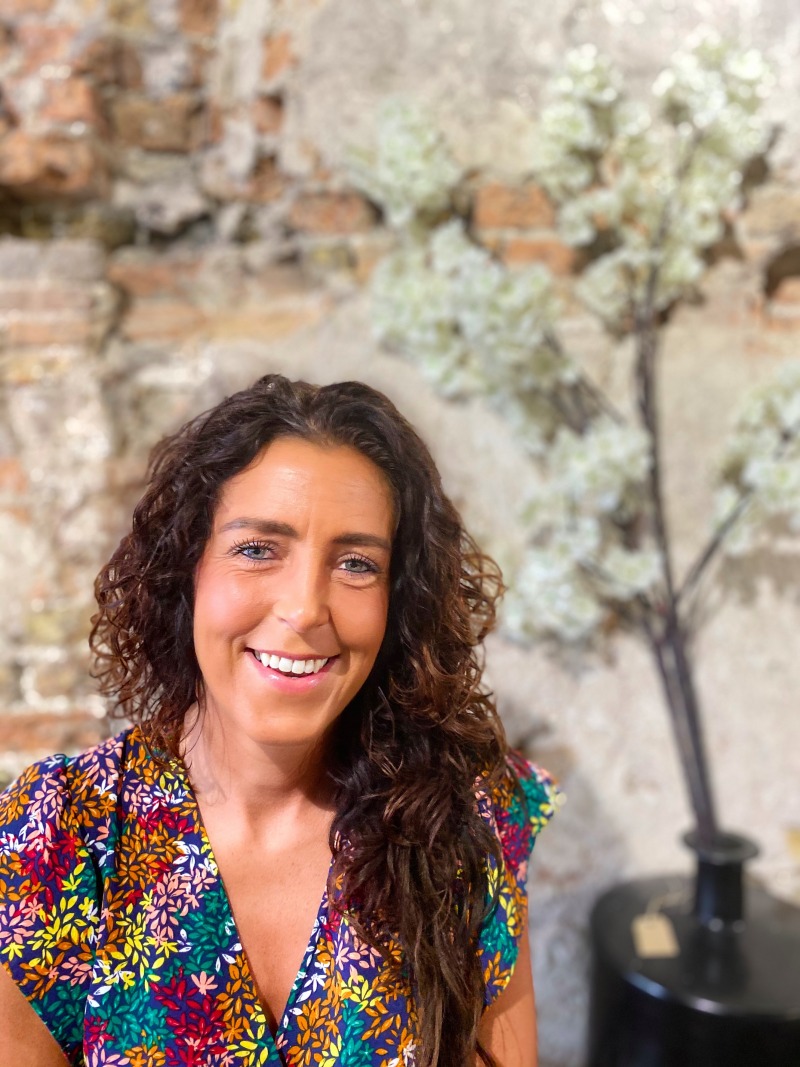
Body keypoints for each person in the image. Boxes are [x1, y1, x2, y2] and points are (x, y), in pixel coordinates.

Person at [0, 375, 557, 1067]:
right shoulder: (57, 835)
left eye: (356, 563)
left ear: (397, 600)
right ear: (187, 568)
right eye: (258, 548)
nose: (304, 608)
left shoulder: (469, 812)